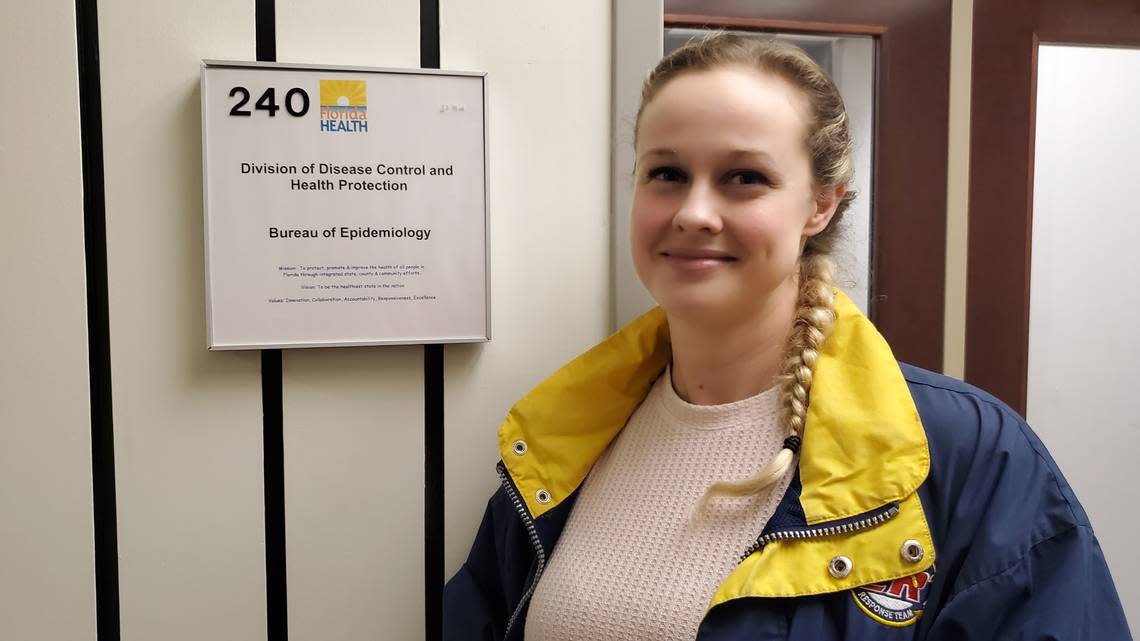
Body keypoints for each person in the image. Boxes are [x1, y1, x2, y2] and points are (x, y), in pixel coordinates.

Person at [443, 33, 1132, 640]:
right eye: (666, 174)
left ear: (820, 203)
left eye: (745, 178)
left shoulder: (969, 456)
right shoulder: (559, 442)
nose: (694, 211)